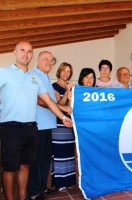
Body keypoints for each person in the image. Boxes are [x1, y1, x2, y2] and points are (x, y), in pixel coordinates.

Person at [0, 41, 72, 200]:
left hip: (31, 127)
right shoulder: (3, 72)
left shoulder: (34, 78)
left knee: (26, 166)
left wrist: (63, 117)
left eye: (29, 51)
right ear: (14, 52)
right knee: (10, 168)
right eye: (22, 50)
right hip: (10, 127)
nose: (26, 54)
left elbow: (49, 101)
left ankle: (25, 196)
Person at [27, 51, 71, 200]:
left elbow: (51, 102)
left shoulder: (45, 77)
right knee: (36, 161)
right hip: (37, 126)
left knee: (45, 159)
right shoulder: (33, 75)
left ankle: (41, 188)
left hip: (48, 126)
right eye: (46, 59)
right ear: (37, 60)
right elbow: (40, 101)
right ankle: (33, 192)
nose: (49, 62)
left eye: (51, 60)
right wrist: (63, 110)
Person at [51, 62, 76, 191]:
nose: (66, 73)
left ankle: (70, 181)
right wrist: (67, 91)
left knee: (69, 153)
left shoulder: (72, 87)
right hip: (59, 124)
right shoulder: (54, 86)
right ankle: (60, 183)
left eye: (68, 71)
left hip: (70, 125)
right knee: (60, 154)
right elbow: (58, 104)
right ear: (59, 71)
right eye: (64, 71)